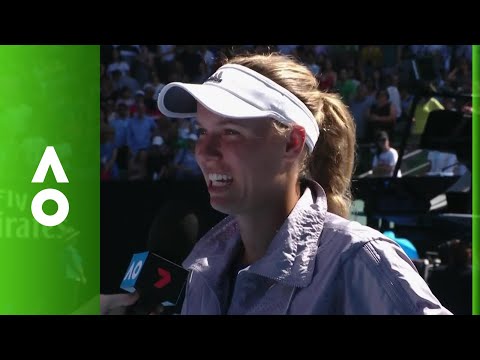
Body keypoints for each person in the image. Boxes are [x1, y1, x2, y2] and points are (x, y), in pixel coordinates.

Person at [104, 52, 451, 315]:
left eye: (230, 132)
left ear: (292, 144)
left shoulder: (360, 261)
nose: (205, 152)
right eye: (202, 131)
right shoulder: (202, 270)